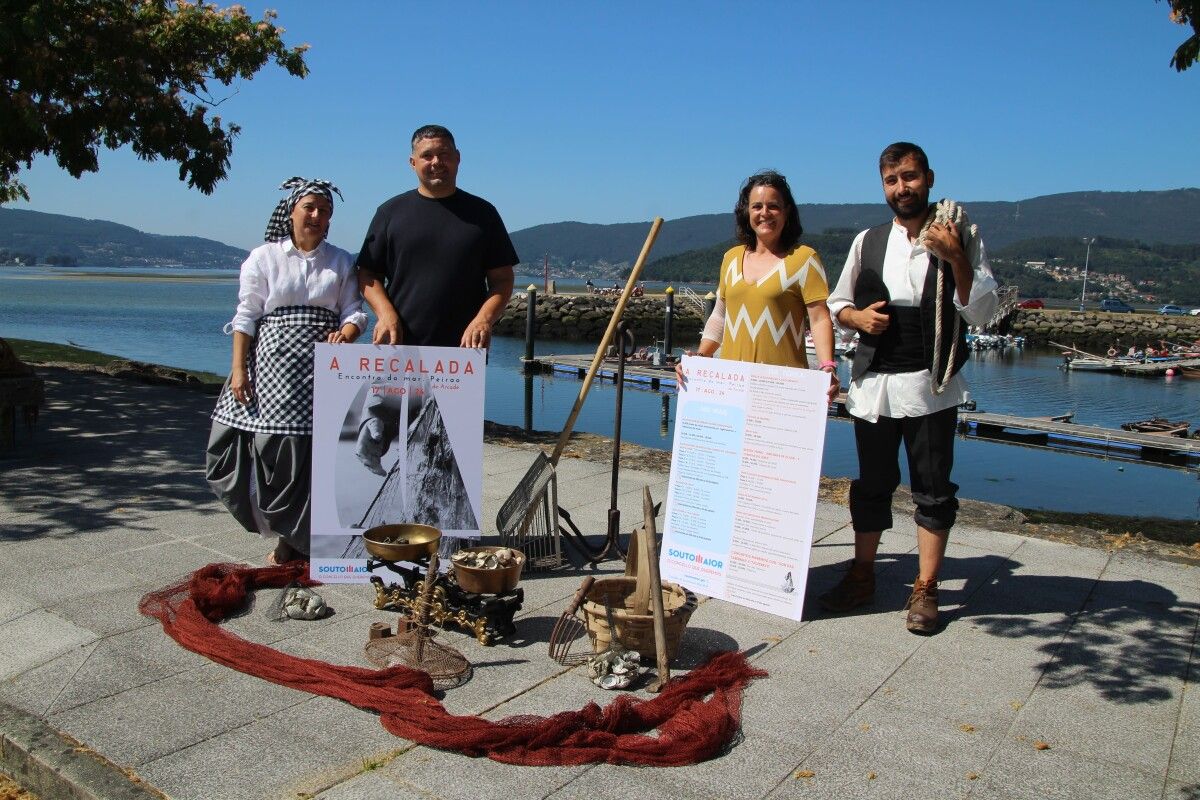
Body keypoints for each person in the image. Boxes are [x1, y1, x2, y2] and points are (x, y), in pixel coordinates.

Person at [822, 142, 998, 634]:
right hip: (874, 382)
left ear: (929, 178)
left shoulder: (961, 233)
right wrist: (854, 316)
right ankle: (862, 575)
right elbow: (837, 302)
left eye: (910, 177)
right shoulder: (868, 240)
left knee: (933, 489)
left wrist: (955, 256)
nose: (902, 187)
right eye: (892, 180)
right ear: (883, 186)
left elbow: (981, 310)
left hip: (930, 383)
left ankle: (925, 590)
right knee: (872, 485)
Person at [206, 178, 366, 564]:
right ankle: (286, 533)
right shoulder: (263, 257)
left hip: (321, 371)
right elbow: (246, 316)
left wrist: (345, 334)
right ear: (292, 211)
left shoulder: (342, 261)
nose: (316, 215)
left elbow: (355, 311)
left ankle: (294, 544)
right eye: (309, 207)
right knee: (261, 452)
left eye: (324, 211)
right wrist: (238, 369)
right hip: (269, 368)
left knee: (310, 456)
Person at [354, 124, 517, 475]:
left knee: (447, 451)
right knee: (378, 428)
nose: (436, 162)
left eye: (444, 154)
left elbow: (503, 281)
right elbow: (367, 275)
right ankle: (381, 518)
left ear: (457, 159)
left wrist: (483, 320)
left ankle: (447, 530)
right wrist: (385, 314)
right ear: (413, 162)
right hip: (399, 348)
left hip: (460, 356)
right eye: (427, 155)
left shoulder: (483, 214)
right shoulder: (390, 212)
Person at [678, 170, 839, 400]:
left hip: (783, 390)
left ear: (787, 212)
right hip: (732, 389)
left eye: (773, 206)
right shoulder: (731, 258)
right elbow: (720, 316)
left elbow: (819, 318)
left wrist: (827, 366)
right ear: (746, 211)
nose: (765, 213)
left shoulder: (805, 259)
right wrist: (701, 357)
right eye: (757, 206)